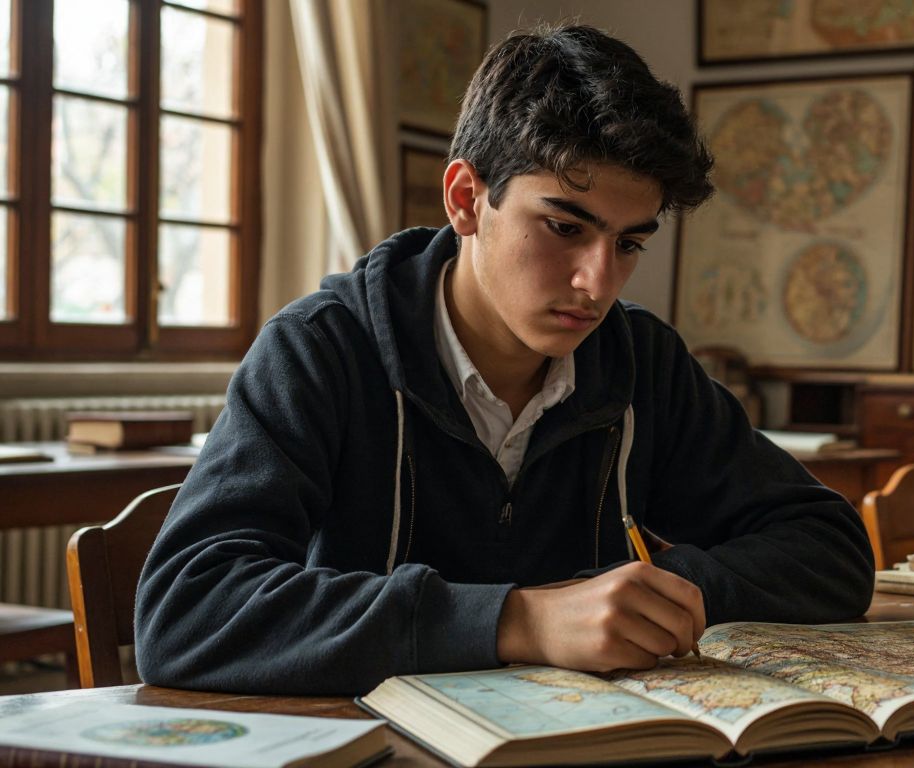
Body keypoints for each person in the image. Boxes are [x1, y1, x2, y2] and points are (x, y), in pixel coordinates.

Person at [134, 24, 874, 696]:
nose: (598, 282)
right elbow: (185, 612)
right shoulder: (320, 350)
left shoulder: (640, 358)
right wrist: (519, 621)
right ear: (465, 200)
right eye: (562, 226)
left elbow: (831, 549)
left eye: (630, 243)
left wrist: (666, 592)